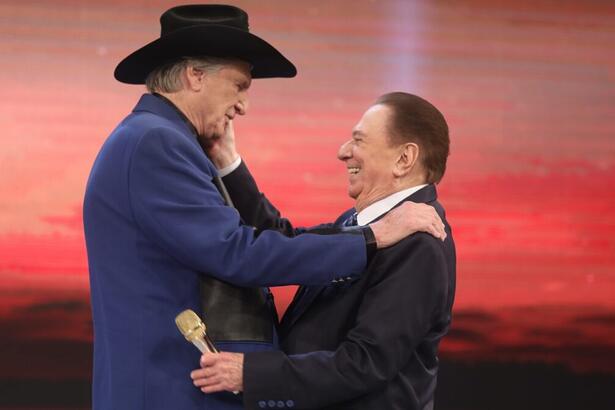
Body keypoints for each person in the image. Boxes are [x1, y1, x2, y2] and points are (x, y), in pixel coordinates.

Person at [83, 5, 445, 410]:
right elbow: (238, 252)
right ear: (195, 75)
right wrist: (373, 237)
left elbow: (270, 239)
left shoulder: (156, 138)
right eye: (239, 85)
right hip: (168, 392)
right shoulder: (157, 143)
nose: (243, 106)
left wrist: (231, 167)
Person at [191, 92, 456, 410]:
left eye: (358, 140)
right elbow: (287, 240)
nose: (343, 152)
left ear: (404, 159)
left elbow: (364, 363)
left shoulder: (419, 245)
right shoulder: (366, 223)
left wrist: (251, 374)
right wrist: (226, 158)